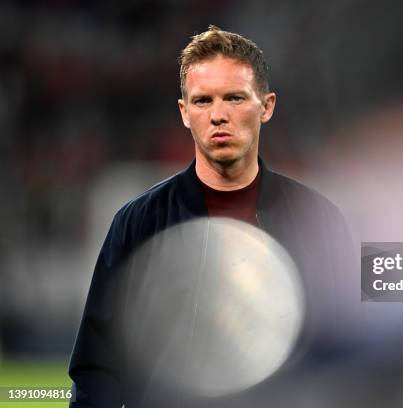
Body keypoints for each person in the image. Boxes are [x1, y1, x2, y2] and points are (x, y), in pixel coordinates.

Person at [68, 25, 355, 407]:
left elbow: (350, 358)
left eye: (234, 98)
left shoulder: (318, 220)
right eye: (203, 101)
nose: (218, 115)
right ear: (185, 113)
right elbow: (97, 366)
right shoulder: (138, 223)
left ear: (266, 106)